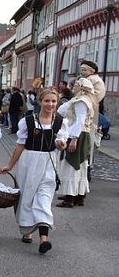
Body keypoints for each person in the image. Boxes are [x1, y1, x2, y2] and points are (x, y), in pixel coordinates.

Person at [0, 88, 63, 254]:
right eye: (47, 101)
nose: (50, 104)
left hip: (49, 162)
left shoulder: (60, 122)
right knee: (27, 197)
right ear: (40, 101)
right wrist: (10, 165)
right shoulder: (27, 121)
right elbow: (20, 145)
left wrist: (61, 144)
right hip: (29, 161)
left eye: (54, 101)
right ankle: (27, 230)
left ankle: (44, 239)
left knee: (44, 197)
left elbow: (61, 140)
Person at [56, 78, 97, 207]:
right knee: (78, 166)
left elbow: (79, 120)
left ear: (81, 87)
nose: (72, 87)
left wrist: (74, 139)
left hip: (77, 135)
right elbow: (61, 110)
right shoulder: (78, 100)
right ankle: (77, 195)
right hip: (78, 134)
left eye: (75, 86)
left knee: (72, 165)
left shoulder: (81, 101)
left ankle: (70, 198)